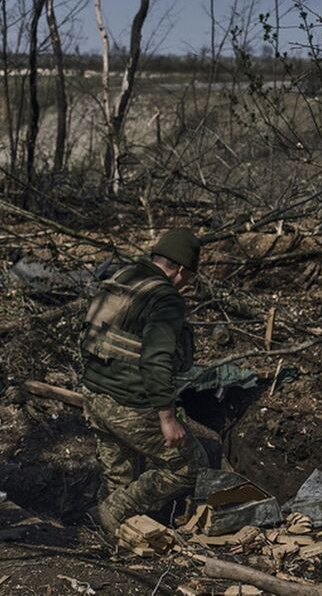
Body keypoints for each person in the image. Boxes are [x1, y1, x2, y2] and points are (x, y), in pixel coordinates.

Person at [79, 228, 207, 533]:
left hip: (94, 396)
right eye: (189, 278)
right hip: (129, 404)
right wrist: (167, 417)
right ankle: (111, 513)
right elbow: (156, 359)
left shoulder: (124, 277)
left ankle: (108, 537)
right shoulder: (165, 299)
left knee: (119, 477)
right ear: (178, 270)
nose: (187, 285)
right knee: (191, 465)